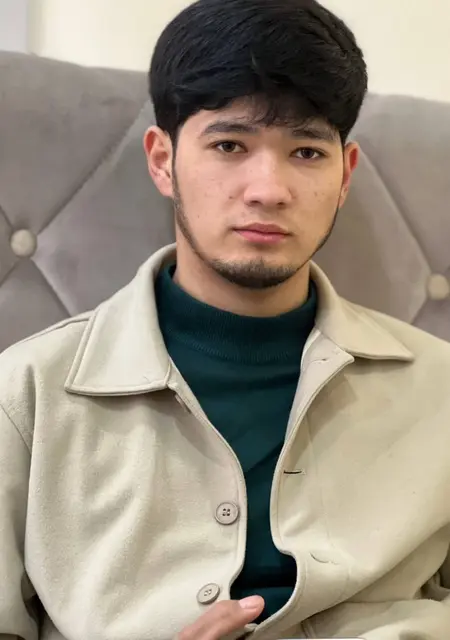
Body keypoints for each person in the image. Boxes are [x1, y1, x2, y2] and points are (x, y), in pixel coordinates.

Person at [1, 0, 450, 638]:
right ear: (162, 160)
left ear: (345, 175)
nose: (268, 189)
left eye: (306, 152)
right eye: (229, 145)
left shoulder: (439, 388)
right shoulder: (26, 396)